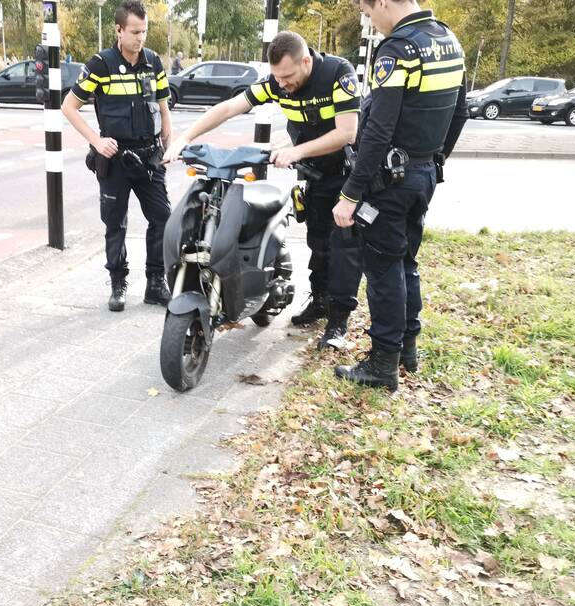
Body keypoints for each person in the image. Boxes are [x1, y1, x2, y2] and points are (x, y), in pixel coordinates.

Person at [164, 31, 361, 349]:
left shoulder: (338, 74)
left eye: (288, 76)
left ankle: (338, 322)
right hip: (316, 175)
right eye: (277, 77)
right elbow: (229, 108)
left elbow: (348, 133)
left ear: (306, 61)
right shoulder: (276, 81)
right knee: (319, 244)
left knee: (344, 250)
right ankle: (321, 302)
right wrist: (184, 138)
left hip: (347, 175)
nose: (281, 84)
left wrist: (296, 152)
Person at [332, 0, 468, 391]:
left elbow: (377, 130)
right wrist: (435, 159)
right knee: (406, 260)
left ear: (385, 3)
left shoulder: (397, 50)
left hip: (389, 182)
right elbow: (460, 112)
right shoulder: (448, 40)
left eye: (367, 9)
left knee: (382, 267)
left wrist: (351, 193)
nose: (368, 18)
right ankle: (407, 348)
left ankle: (383, 363)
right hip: (422, 173)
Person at [62, 1, 173, 312]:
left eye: (144, 32)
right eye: (135, 32)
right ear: (119, 30)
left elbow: (163, 105)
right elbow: (69, 107)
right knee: (115, 223)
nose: (140, 38)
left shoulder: (153, 61)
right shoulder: (101, 64)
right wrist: (97, 141)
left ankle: (155, 282)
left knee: (163, 218)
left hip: (150, 157)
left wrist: (169, 140)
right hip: (116, 159)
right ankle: (118, 282)